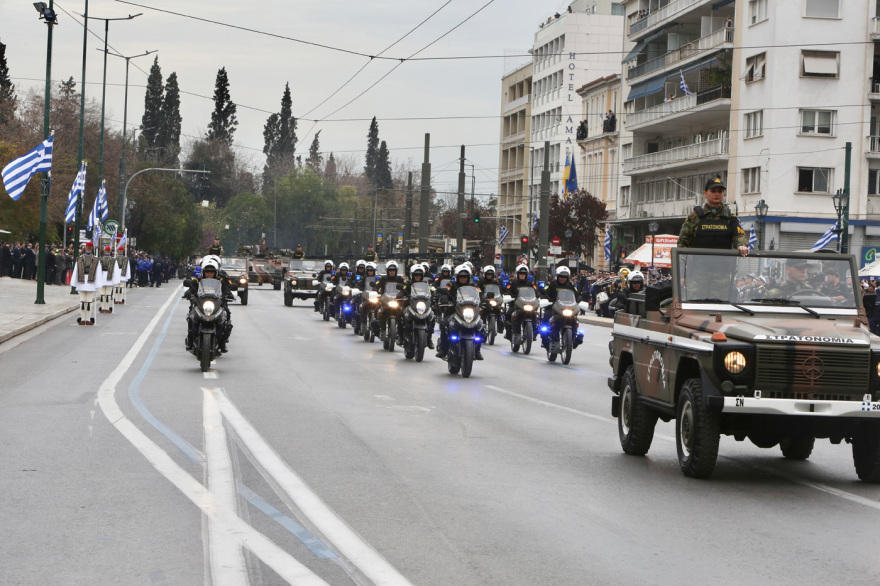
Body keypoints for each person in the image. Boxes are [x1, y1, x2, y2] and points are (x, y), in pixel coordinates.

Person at [678, 176, 749, 255]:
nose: (717, 194)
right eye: (713, 191)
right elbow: (682, 243)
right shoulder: (695, 217)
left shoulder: (730, 218)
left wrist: (741, 246)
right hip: (698, 265)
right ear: (705, 193)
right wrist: (683, 264)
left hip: (723, 265)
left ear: (723, 194)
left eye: (720, 191)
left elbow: (739, 236)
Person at [184, 255, 233, 352]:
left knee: (226, 316)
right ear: (203, 272)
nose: (209, 273)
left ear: (216, 272)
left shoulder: (221, 279)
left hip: (217, 303)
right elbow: (192, 287)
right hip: (202, 303)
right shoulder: (198, 279)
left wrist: (228, 294)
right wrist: (189, 293)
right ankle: (190, 340)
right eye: (207, 271)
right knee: (191, 318)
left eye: (211, 272)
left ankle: (222, 342)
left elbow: (227, 288)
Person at [436, 264, 483, 360]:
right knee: (445, 324)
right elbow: (445, 293)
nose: (463, 278)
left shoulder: (474, 286)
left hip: (470, 313)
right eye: (461, 276)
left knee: (480, 326)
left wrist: (485, 300)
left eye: (465, 276)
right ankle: (443, 349)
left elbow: (481, 295)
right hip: (454, 311)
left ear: (468, 277)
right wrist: (444, 299)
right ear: (457, 277)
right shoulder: (451, 285)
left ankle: (477, 350)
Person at [71, 241, 102, 325]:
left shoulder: (80, 258)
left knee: (82, 301)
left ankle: (83, 318)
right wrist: (98, 284)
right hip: (90, 282)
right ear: (92, 248)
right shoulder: (96, 259)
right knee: (88, 301)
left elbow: (76, 271)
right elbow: (98, 273)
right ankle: (87, 319)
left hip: (82, 281)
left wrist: (74, 282)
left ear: (85, 248)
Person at [373, 260, 405, 339]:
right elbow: (376, 287)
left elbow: (405, 287)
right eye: (390, 270)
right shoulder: (383, 278)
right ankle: (378, 329)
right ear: (387, 271)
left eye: (393, 270)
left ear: (396, 271)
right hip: (385, 300)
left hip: (397, 300)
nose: (392, 272)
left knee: (404, 313)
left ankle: (401, 333)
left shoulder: (400, 279)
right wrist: (374, 291)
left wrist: (405, 292)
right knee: (376, 309)